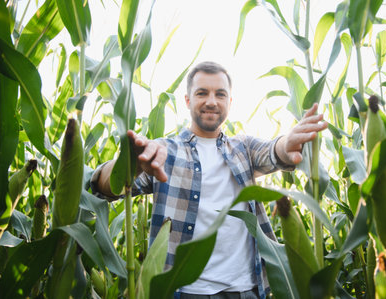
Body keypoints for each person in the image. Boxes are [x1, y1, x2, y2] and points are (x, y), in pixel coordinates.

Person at [92, 61, 328, 298]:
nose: (212, 101)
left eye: (220, 94)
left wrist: (287, 144)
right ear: (187, 100)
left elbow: (273, 152)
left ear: (229, 102)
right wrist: (129, 164)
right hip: (185, 290)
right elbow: (103, 187)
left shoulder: (243, 149)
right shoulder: (164, 152)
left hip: (247, 290)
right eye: (202, 93)